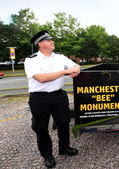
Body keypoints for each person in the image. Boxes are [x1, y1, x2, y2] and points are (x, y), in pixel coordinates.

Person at [24, 30, 81, 168]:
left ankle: (64, 148)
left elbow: (75, 65)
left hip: (59, 95)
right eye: (48, 40)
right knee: (41, 127)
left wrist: (76, 70)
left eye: (51, 39)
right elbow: (41, 79)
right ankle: (47, 155)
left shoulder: (59, 57)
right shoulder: (31, 60)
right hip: (39, 97)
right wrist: (65, 71)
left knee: (64, 122)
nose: (52, 41)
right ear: (40, 44)